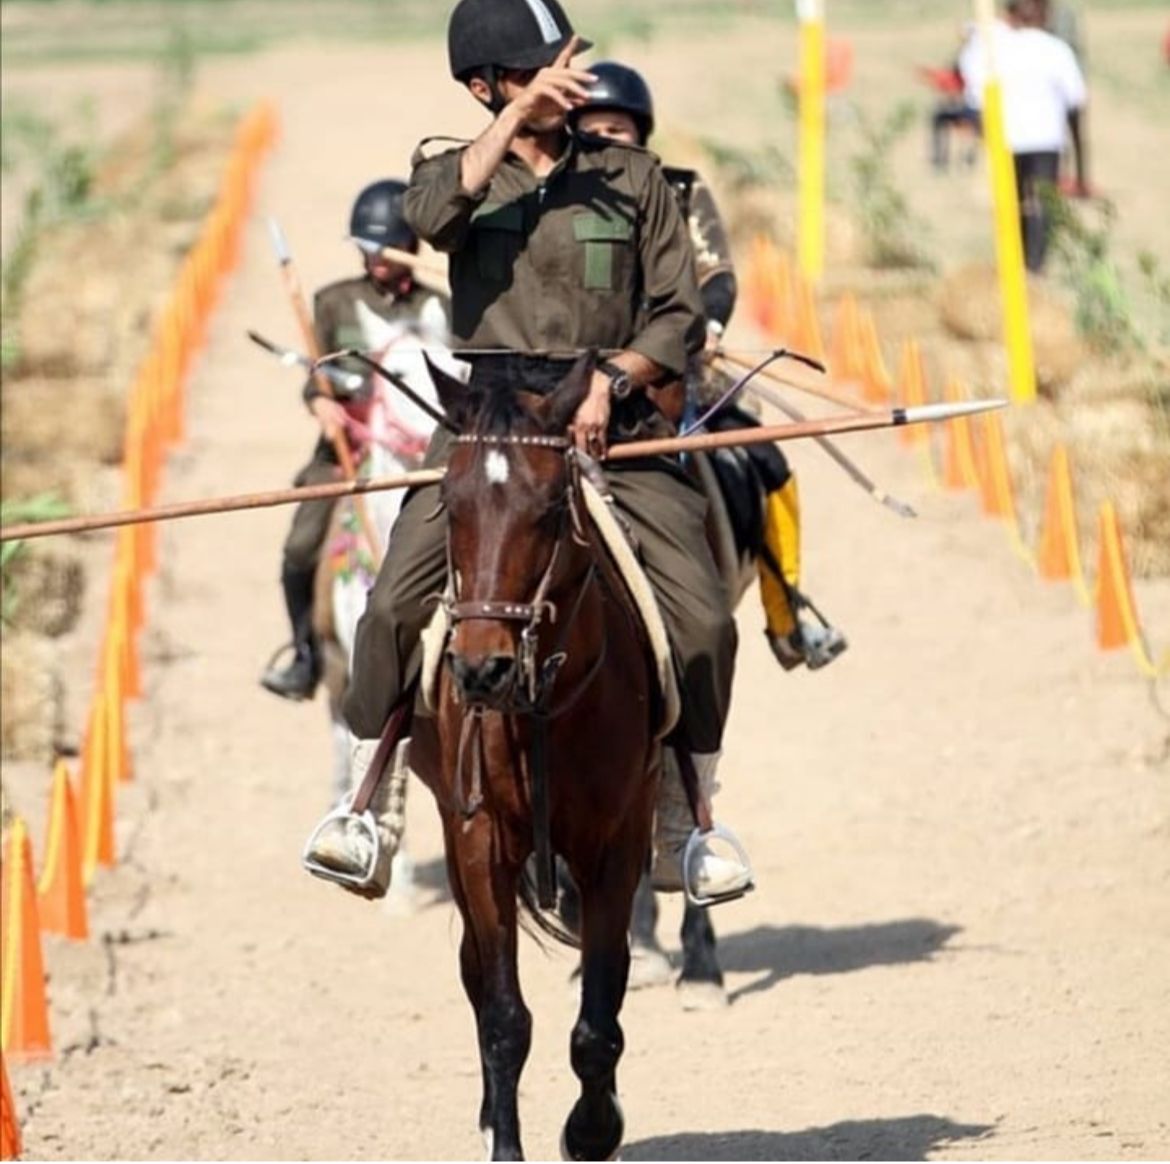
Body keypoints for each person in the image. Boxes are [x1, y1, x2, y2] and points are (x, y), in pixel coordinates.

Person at [305, 0, 753, 903]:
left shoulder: (633, 179)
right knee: (390, 604)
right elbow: (433, 218)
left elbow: (677, 311)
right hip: (487, 427)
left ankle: (688, 812)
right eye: (534, 68)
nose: (562, 78)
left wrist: (614, 378)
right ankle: (370, 801)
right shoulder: (447, 173)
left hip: (611, 425)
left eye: (565, 60)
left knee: (705, 619)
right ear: (484, 86)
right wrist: (511, 122)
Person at [567, 61, 847, 671]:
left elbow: (716, 272)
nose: (604, 141)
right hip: (578, 375)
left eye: (616, 130)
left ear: (640, 134)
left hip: (674, 372)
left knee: (767, 463)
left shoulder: (681, 190)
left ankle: (787, 614)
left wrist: (709, 326)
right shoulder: (559, 199)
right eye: (592, 129)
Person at [260, 181, 448, 701]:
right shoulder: (334, 302)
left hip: (427, 449)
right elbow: (316, 374)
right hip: (351, 446)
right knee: (300, 545)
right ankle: (305, 654)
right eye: (365, 249)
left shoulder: (445, 310)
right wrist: (319, 402)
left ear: (410, 247)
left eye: (384, 250)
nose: (375, 261)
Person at [960, 0, 1087, 272]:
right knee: (1040, 206)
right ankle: (1034, 267)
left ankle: (1017, 266)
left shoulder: (997, 49)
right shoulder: (1056, 50)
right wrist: (1082, 166)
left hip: (1006, 140)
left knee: (1011, 205)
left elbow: (975, 92)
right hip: (1045, 141)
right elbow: (1075, 101)